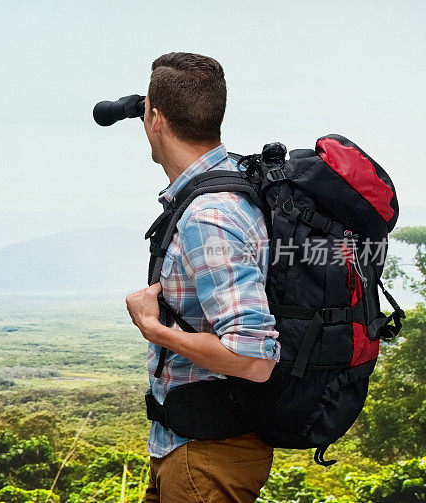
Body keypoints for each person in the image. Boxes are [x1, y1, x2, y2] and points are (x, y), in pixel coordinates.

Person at [125, 52, 281, 502]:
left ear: (155, 119)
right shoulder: (226, 185)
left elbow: (253, 357)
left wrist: (153, 329)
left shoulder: (209, 216)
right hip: (190, 449)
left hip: (207, 457)